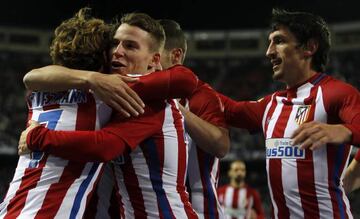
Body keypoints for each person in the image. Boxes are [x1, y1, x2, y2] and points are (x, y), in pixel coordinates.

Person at [18, 12, 200, 218]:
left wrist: (37, 137)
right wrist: (92, 78)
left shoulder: (150, 99)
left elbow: (104, 146)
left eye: (130, 46)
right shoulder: (104, 95)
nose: (118, 52)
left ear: (154, 60)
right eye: (115, 44)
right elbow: (32, 77)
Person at [218, 8, 360, 218]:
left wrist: (345, 131)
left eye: (279, 41)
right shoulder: (270, 105)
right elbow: (228, 110)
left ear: (309, 47)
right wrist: (186, 86)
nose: (269, 52)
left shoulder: (338, 93)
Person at [0, 8, 116, 219]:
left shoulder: (37, 94)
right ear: (103, 58)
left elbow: (32, 77)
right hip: (47, 213)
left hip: (11, 208)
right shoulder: (103, 98)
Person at [158, 19, 230, 218]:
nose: (150, 59)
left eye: (156, 51)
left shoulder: (201, 94)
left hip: (202, 212)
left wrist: (175, 107)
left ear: (176, 55)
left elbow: (221, 145)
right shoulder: (143, 95)